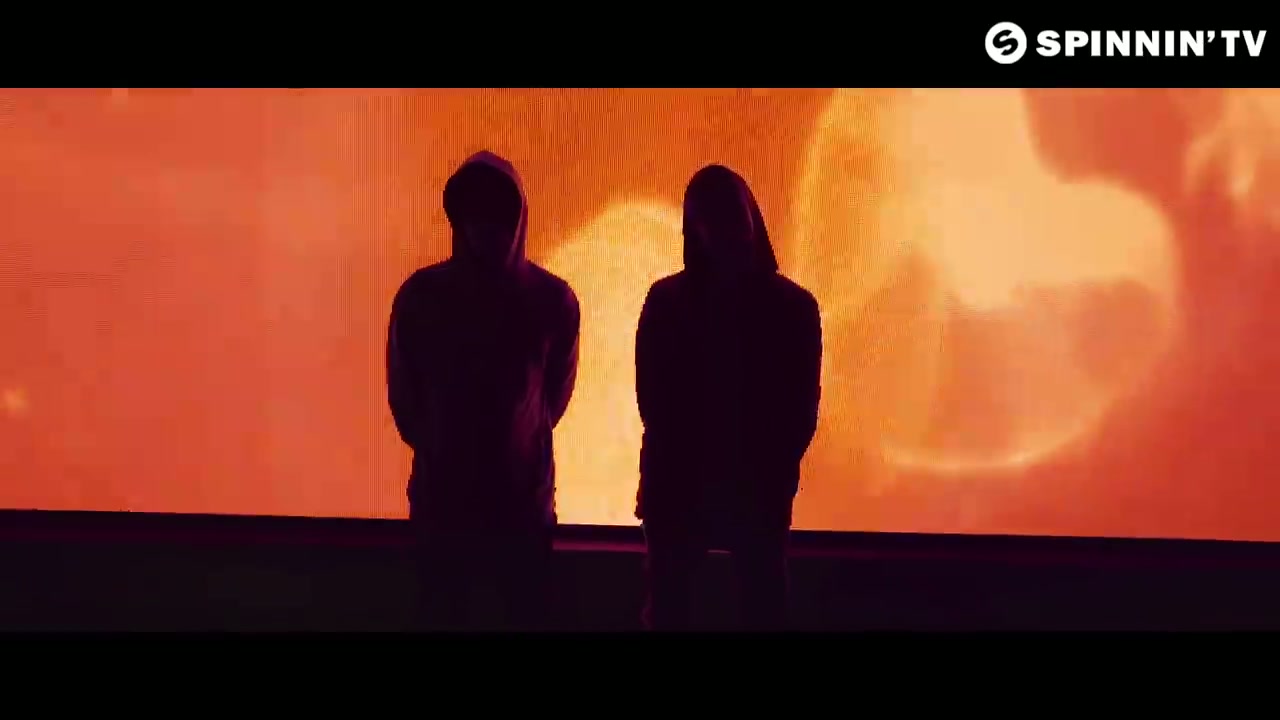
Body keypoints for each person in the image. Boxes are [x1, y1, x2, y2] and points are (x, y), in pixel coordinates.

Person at [386, 151, 580, 631]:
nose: (486, 225)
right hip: (463, 500)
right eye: (476, 212)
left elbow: (407, 400)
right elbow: (551, 400)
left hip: (501, 502)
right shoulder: (423, 298)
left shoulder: (550, 301)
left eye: (498, 212)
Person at [635, 164, 823, 631]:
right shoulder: (792, 307)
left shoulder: (669, 301)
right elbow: (653, 400)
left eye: (728, 215)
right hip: (710, 485)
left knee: (696, 606)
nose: (723, 229)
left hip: (720, 484)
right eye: (712, 217)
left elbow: (799, 410)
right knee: (747, 606)